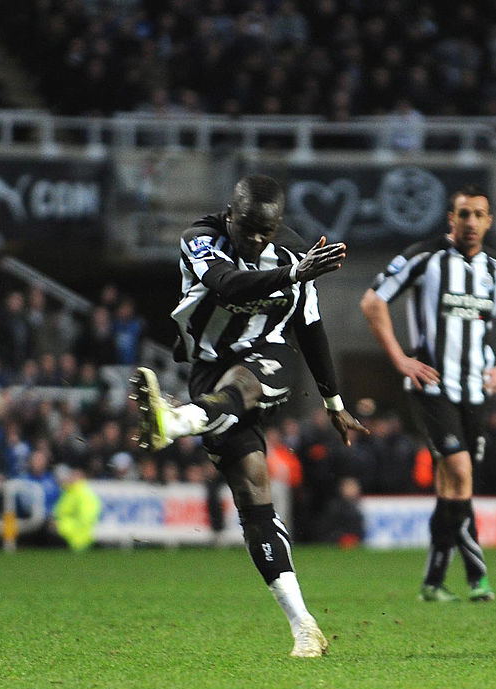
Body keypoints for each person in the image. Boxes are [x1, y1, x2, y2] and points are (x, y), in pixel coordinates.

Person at [131, 174, 366, 658]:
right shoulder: (200, 239)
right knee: (252, 491)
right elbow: (226, 285)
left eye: (268, 229)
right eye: (249, 228)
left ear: (278, 223)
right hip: (207, 369)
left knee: (245, 380)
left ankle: (175, 422)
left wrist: (334, 403)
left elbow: (311, 327)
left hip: (268, 358)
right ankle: (304, 625)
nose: (257, 239)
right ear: (230, 214)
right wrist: (293, 275)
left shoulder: (294, 253)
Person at [360, 185, 496, 603]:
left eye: (478, 215)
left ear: (488, 221)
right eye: (463, 214)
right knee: (462, 473)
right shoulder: (425, 258)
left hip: (475, 389)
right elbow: (372, 302)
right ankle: (477, 575)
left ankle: (433, 581)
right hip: (433, 386)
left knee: (450, 485)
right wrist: (400, 359)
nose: (470, 222)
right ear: (451, 218)